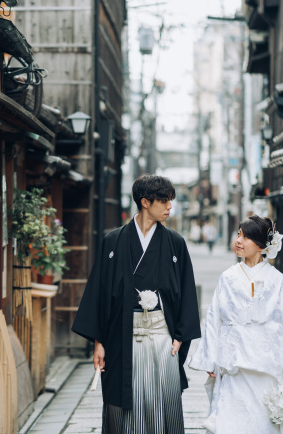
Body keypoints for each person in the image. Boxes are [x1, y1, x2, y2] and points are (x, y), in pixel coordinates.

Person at [72, 174, 201, 433]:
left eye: (170, 201)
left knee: (163, 400)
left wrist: (180, 336)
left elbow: (187, 292)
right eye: (164, 201)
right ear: (145, 202)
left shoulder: (175, 243)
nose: (169, 207)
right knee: (121, 404)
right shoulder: (113, 241)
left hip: (162, 335)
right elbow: (99, 292)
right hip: (121, 335)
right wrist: (99, 342)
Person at [188, 216, 283, 433]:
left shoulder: (277, 280)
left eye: (245, 237)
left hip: (267, 364)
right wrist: (210, 359)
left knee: (263, 420)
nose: (238, 240)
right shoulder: (228, 277)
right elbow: (214, 318)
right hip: (233, 361)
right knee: (230, 419)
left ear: (260, 245)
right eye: (238, 234)